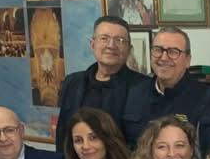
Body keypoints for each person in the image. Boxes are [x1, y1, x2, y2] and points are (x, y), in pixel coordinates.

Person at [54, 16, 146, 151]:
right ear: (92, 45)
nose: (111, 45)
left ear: (129, 49)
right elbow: (62, 135)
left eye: (120, 40)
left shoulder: (144, 88)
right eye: (104, 38)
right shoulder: (72, 83)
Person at [119, 27, 209, 146]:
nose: (164, 57)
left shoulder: (205, 98)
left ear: (188, 60)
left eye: (173, 52)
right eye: (158, 50)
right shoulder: (134, 93)